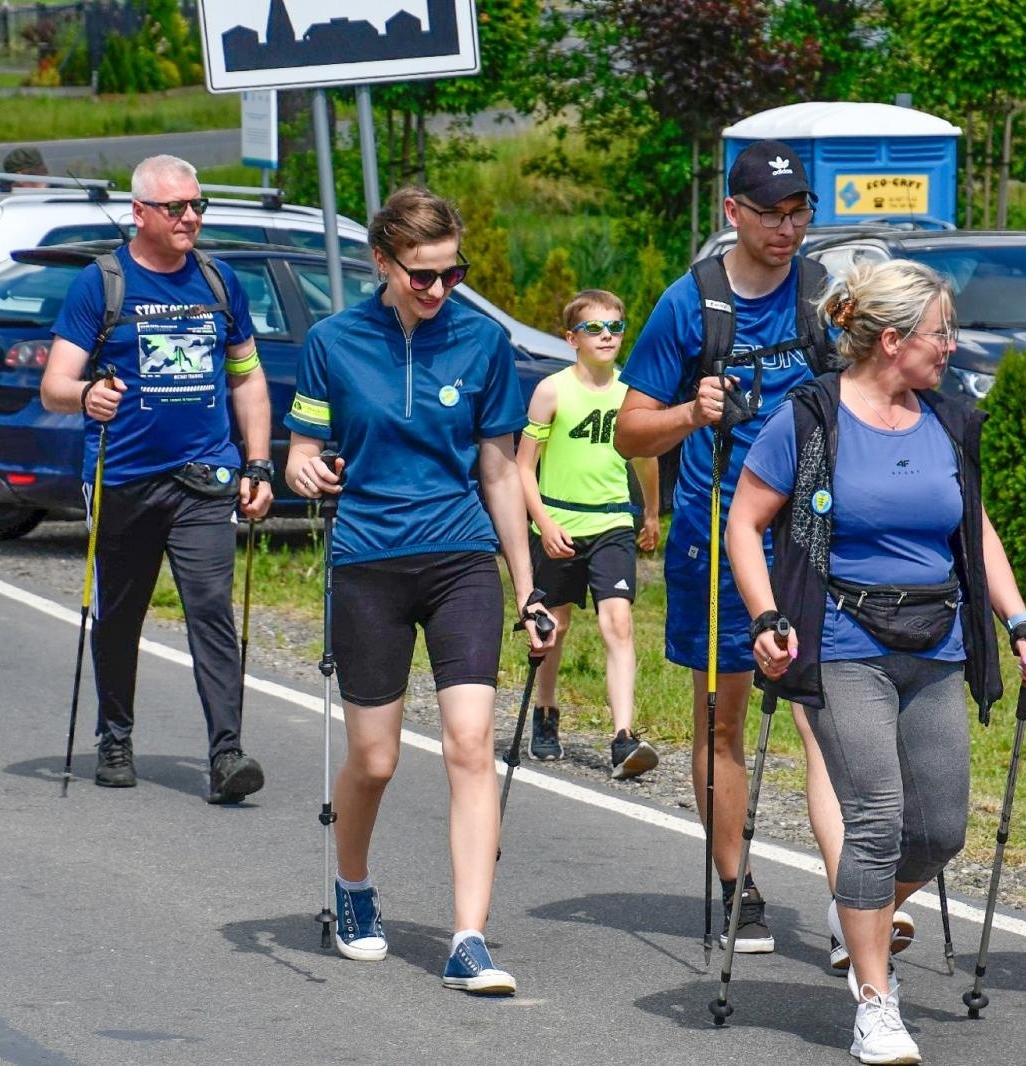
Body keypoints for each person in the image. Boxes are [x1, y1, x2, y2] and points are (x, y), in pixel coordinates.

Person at [727, 258, 1026, 1064]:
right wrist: (766, 615)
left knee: (939, 829)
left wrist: (1018, 616)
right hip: (842, 640)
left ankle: (857, 907)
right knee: (874, 818)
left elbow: (972, 531)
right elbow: (746, 522)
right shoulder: (811, 419)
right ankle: (875, 1000)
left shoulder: (947, 420)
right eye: (943, 331)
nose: (953, 346)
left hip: (937, 641)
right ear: (894, 339)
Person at [283, 186, 554, 996]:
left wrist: (529, 586)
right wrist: (302, 468)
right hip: (368, 559)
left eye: (452, 273)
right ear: (383, 262)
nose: (439, 290)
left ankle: (469, 937)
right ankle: (354, 886)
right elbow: (303, 448)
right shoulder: (332, 341)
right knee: (376, 757)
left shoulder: (482, 341)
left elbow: (500, 470)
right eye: (423, 276)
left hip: (460, 559)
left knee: (470, 743)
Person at [616, 138, 843, 956]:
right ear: (733, 214)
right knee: (724, 722)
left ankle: (849, 901)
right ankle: (735, 880)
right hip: (713, 537)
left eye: (798, 213)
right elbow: (628, 430)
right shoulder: (693, 305)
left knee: (828, 719)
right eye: (771, 215)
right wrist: (692, 413)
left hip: (809, 536)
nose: (787, 230)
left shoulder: (824, 296)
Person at [40, 154, 270, 804]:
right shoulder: (101, 284)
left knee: (210, 609)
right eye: (176, 208)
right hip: (125, 479)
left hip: (204, 478)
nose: (190, 217)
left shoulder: (221, 283)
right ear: (140, 212)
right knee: (120, 613)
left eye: (197, 205)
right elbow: (55, 385)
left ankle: (227, 754)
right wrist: (86, 396)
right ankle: (115, 737)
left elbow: (247, 376)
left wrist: (256, 463)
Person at [517, 288, 661, 778]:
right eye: (594, 328)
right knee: (553, 627)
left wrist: (652, 514)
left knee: (617, 624)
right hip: (559, 522)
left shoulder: (631, 395)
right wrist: (543, 521)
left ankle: (623, 737)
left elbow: (646, 457)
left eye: (615, 327)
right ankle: (546, 711)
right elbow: (522, 467)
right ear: (571, 338)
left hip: (612, 523)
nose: (607, 336)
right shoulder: (552, 390)